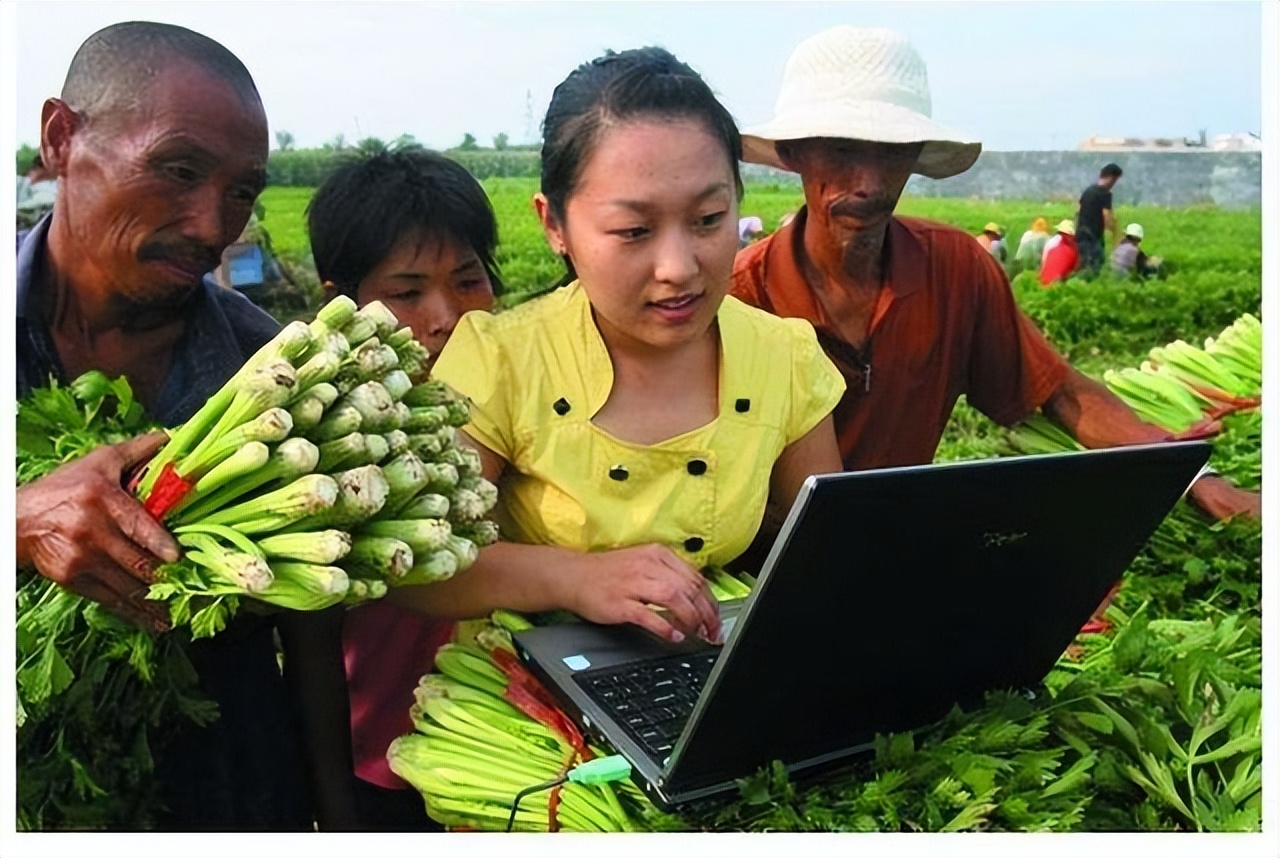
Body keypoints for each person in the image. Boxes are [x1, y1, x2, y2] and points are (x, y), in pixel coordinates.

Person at [390, 46, 845, 648]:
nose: (679, 268)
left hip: (697, 672)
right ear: (554, 224)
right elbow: (415, 568)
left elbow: (826, 556)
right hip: (527, 694)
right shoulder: (501, 360)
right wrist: (573, 578)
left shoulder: (784, 358)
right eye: (634, 231)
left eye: (709, 219)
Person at [729, 24, 1258, 526]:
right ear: (794, 153)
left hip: (895, 548)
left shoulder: (953, 270)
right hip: (751, 574)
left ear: (915, 156)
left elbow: (1060, 391)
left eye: (891, 152)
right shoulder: (736, 297)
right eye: (842, 149)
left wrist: (1189, 471)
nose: (867, 182)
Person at [14, 21, 328, 831]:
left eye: (241, 193)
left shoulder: (271, 373)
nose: (212, 227)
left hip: (230, 793)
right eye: (178, 169)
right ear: (60, 138)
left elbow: (315, 639)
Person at [303, 148, 504, 831]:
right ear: (342, 304)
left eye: (469, 280)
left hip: (514, 748)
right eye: (408, 292)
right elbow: (314, 641)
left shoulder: (527, 401)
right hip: (384, 755)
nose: (445, 315)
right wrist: (333, 807)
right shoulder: (328, 445)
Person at [1075, 162, 1122, 276]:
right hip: (1094, 238)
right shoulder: (1105, 193)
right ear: (1112, 178)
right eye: (1115, 180)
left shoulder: (1087, 191)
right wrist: (1115, 233)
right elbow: (1106, 216)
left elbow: (1078, 212)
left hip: (1080, 237)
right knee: (1094, 270)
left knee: (1084, 268)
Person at [1040, 220, 1079, 286]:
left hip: (1042, 281)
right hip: (1056, 285)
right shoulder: (1072, 251)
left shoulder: (1053, 247)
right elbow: (1075, 270)